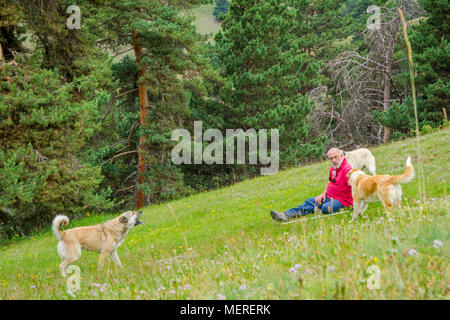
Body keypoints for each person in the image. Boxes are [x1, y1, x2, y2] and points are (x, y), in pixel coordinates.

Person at [270, 148, 353, 221]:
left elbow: (354, 186)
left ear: (341, 156)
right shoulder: (333, 168)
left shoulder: (347, 169)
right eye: (331, 158)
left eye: (336, 157)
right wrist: (323, 194)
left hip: (343, 200)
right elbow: (330, 182)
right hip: (330, 196)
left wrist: (356, 203)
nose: (334, 160)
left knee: (325, 208)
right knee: (310, 201)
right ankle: (286, 215)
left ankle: (318, 208)